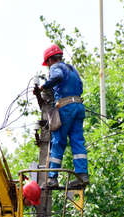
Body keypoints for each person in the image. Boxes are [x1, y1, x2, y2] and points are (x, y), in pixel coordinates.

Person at [35, 44, 89, 188]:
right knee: (77, 141)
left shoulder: (56, 67)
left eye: (47, 64)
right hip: (78, 106)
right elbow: (80, 87)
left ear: (50, 60)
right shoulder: (72, 69)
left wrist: (44, 86)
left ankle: (52, 178)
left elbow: (57, 77)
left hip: (66, 108)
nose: (48, 67)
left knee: (58, 140)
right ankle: (82, 175)